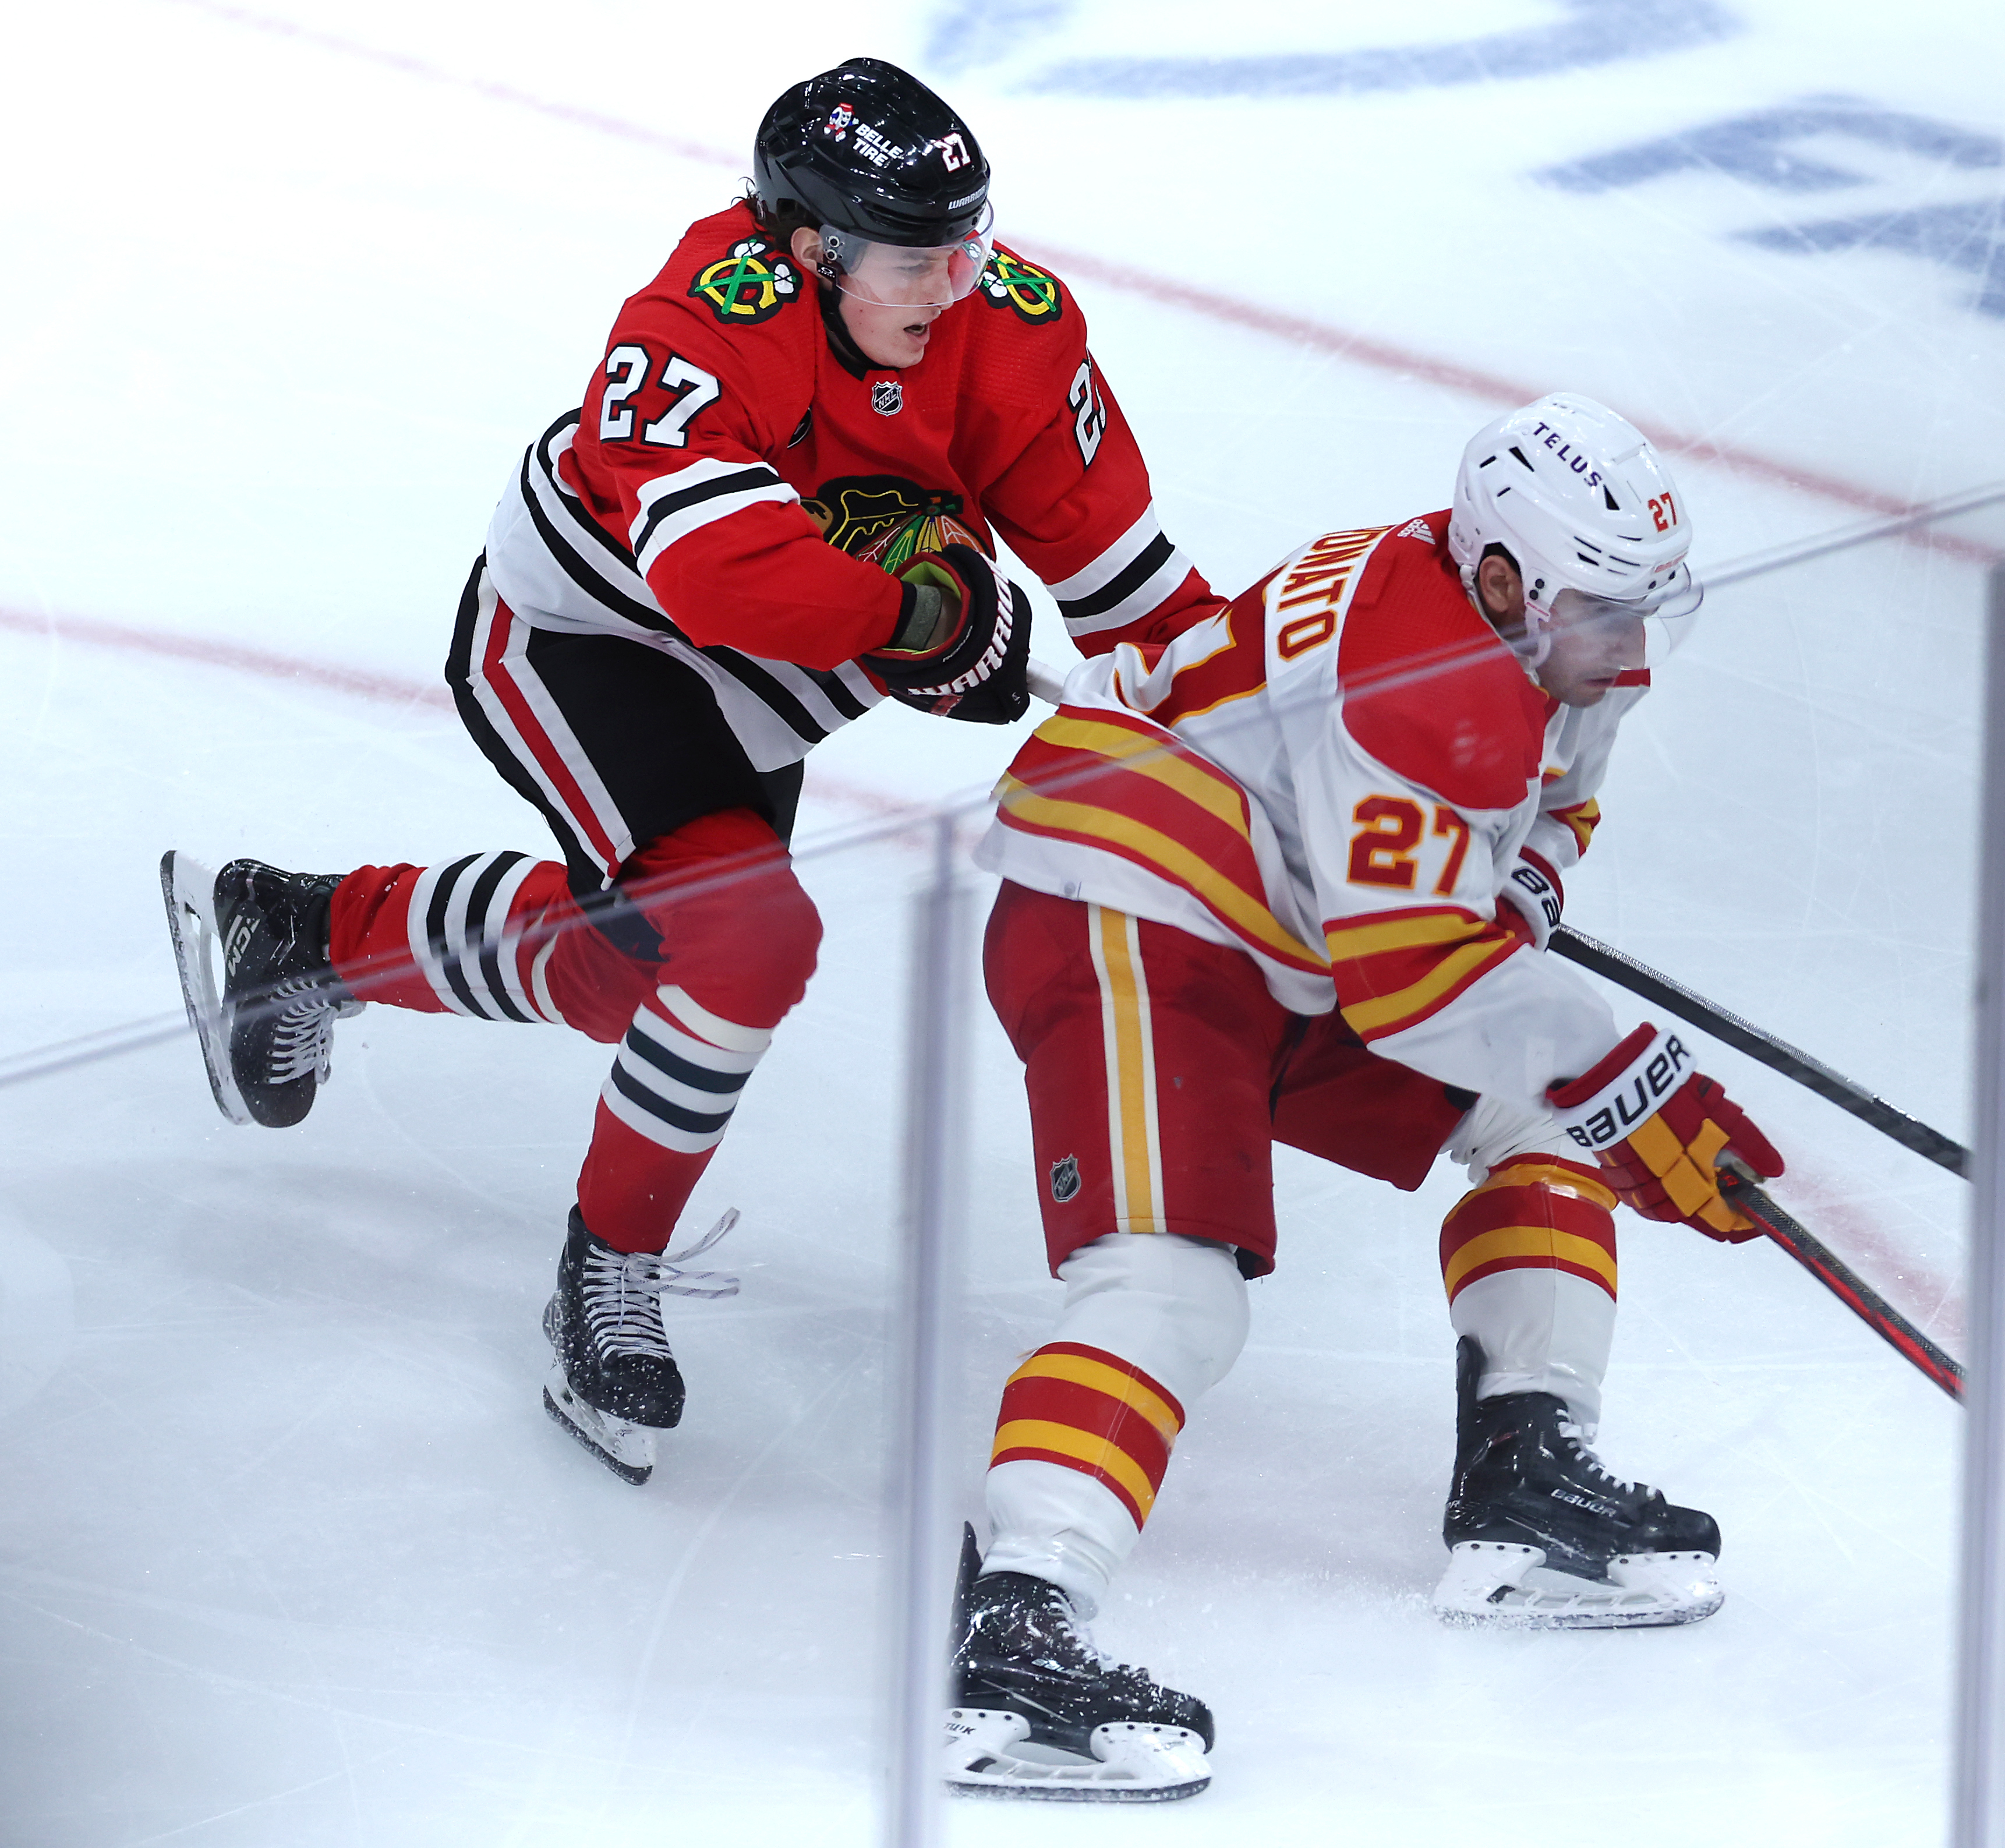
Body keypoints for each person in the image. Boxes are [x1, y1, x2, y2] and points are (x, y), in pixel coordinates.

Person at [156, 57, 1218, 1485]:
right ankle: (602, 1276)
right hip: (588, 642)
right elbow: (730, 584)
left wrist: (1253, 740)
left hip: (770, 686)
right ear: (803, 249)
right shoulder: (692, 329)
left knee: (640, 973)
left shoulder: (1006, 324)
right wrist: (928, 616)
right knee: (743, 941)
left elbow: (1141, 596)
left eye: (970, 244)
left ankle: (306, 933)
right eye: (917, 259)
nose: (957, 283)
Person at [942, 393, 1790, 1800]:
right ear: (1509, 582)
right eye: (1606, 612)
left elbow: (1542, 815)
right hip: (1133, 916)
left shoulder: (1538, 625)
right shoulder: (1428, 674)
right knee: (1172, 1291)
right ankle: (1017, 1632)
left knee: (1538, 1119)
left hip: (1291, 933)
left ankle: (1525, 1475)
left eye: (1650, 611)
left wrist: (1519, 893)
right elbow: (1410, 984)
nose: (1633, 651)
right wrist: (1629, 1077)